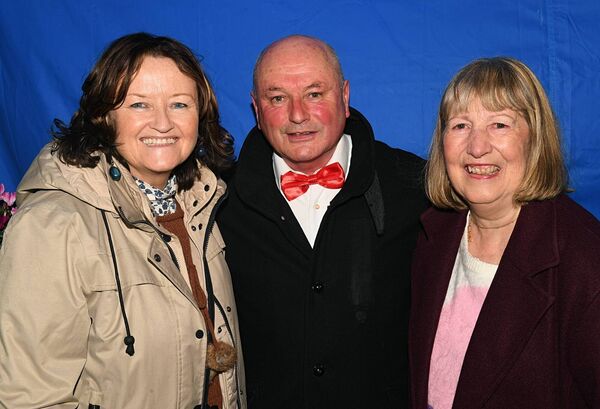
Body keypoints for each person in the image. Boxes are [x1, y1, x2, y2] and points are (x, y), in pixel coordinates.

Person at [0, 32, 245, 409]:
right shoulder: (53, 225)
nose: (163, 123)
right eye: (139, 105)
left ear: (201, 115)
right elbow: (30, 397)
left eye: (179, 104)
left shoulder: (204, 206)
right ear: (103, 115)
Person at [217, 35, 428, 408]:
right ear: (256, 107)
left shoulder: (415, 186)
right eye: (277, 98)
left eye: (315, 94)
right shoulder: (219, 202)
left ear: (345, 98)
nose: (298, 114)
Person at [409, 57, 600, 408]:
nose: (477, 147)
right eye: (460, 125)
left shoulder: (586, 261)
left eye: (499, 124)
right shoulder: (430, 239)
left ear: (535, 138)